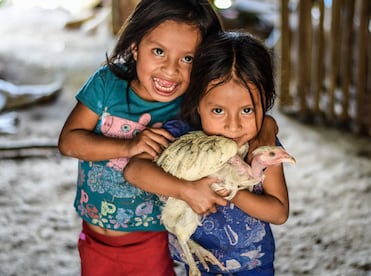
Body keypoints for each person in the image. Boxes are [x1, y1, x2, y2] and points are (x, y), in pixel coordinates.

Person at [58, 1, 228, 275]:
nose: (171, 70)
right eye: (159, 51)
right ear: (135, 46)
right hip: (93, 234)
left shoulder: (191, 106)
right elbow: (69, 142)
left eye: (188, 58)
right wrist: (129, 145)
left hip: (152, 238)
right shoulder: (106, 83)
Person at [124, 31, 290, 275]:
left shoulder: (262, 150)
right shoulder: (182, 136)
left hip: (252, 265)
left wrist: (231, 191)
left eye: (246, 110)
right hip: (195, 263)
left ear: (265, 103)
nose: (233, 126)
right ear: (197, 102)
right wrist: (187, 190)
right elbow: (134, 171)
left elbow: (278, 212)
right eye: (218, 111)